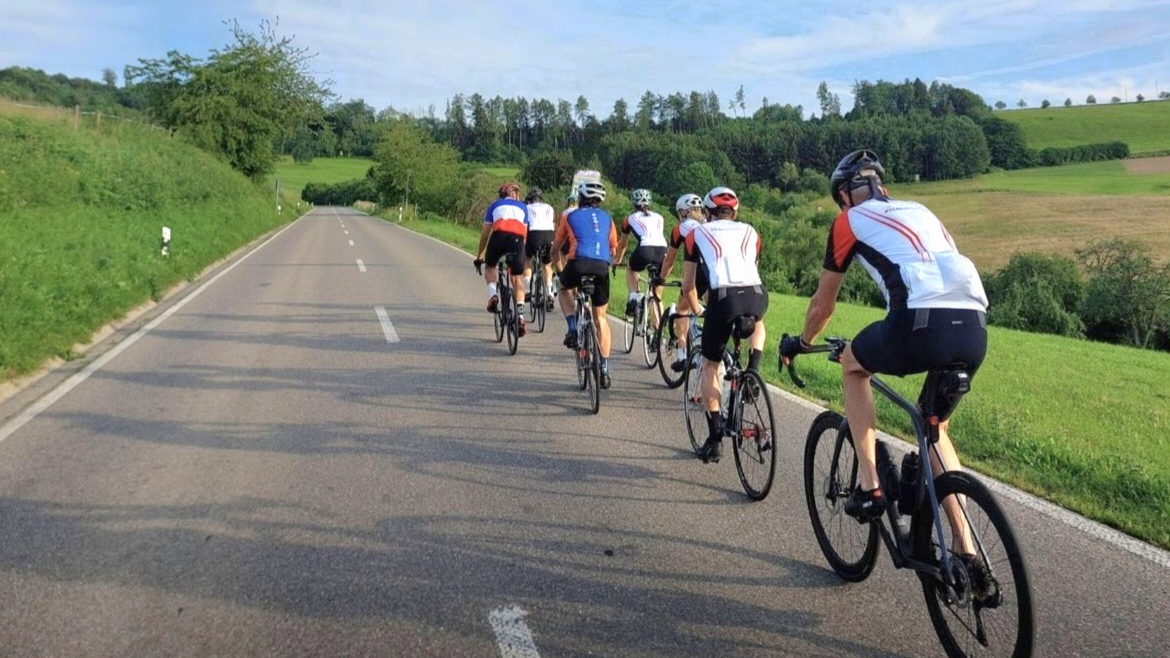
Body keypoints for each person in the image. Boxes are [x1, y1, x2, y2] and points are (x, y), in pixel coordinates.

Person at [779, 149, 988, 534]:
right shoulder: (921, 210)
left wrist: (802, 342)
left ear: (844, 196)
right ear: (883, 186)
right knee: (934, 427)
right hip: (975, 326)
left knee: (853, 365)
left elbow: (823, 306)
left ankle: (870, 486)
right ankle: (966, 551)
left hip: (919, 323)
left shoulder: (848, 221)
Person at [682, 187, 768, 463]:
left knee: (710, 364)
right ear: (735, 212)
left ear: (707, 213)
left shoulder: (696, 233)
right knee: (758, 321)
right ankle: (753, 371)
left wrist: (698, 310)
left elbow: (688, 285)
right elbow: (750, 267)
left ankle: (715, 436)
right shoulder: (752, 232)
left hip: (722, 297)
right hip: (756, 294)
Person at [552, 180, 618, 389]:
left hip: (577, 264)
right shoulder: (608, 218)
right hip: (601, 268)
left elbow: (556, 248)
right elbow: (613, 250)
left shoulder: (570, 216)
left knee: (563, 289)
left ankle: (572, 328)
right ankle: (605, 368)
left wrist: (559, 270)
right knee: (601, 319)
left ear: (580, 198)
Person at [661, 193, 708, 373]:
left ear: (682, 212)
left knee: (682, 310)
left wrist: (661, 278)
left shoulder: (680, 228)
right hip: (713, 274)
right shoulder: (708, 223)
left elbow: (669, 261)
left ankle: (682, 355)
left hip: (697, 274)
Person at [474, 182, 530, 336]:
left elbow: (485, 234)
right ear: (515, 195)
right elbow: (524, 235)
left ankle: (493, 296)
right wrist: (518, 255)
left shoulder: (494, 205)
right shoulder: (523, 207)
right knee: (517, 279)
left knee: (490, 267)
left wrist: (479, 256)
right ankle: (520, 316)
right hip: (517, 241)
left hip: (498, 237)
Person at [615, 189, 668, 328]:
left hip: (645, 249)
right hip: (663, 251)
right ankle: (658, 330)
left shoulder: (629, 219)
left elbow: (622, 244)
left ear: (634, 203)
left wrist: (617, 260)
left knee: (631, 269)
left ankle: (634, 297)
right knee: (656, 294)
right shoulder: (659, 217)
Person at [524, 187, 557, 311]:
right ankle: (549, 293)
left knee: (527, 259)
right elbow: (553, 223)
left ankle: (527, 290)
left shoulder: (527, 208)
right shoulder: (549, 207)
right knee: (547, 265)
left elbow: (525, 226)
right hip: (549, 235)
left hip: (534, 234)